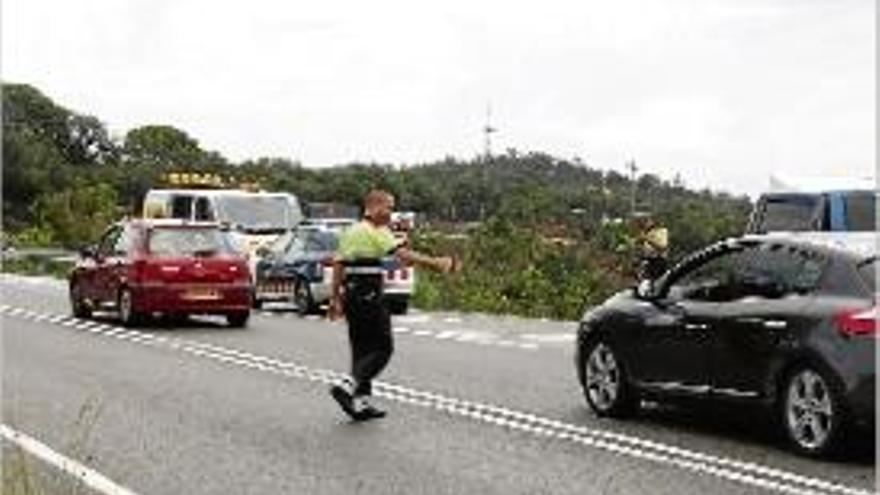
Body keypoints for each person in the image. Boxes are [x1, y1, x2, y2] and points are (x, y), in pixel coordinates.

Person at [328, 189, 459, 421]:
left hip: (351, 294)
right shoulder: (376, 230)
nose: (391, 213)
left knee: (361, 349)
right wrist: (437, 263)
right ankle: (347, 386)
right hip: (369, 293)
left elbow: (338, 265)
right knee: (382, 347)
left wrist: (335, 298)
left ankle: (361, 402)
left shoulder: (350, 231)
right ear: (373, 207)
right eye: (388, 207)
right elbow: (403, 255)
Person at [634, 214, 669, 281]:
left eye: (647, 221)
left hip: (658, 262)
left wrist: (647, 239)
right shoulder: (647, 232)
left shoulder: (661, 231)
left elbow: (662, 246)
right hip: (648, 261)